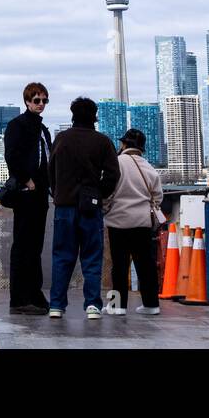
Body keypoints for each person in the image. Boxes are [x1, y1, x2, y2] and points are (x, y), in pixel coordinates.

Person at [48, 97, 120, 319]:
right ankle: (92, 305)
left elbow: (51, 172)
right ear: (94, 116)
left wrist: (58, 192)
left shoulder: (61, 139)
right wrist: (99, 192)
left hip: (65, 206)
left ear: (72, 115)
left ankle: (57, 306)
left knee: (62, 256)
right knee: (91, 257)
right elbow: (113, 175)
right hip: (90, 207)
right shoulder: (102, 141)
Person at [3, 82, 53, 316]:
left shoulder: (43, 130)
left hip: (41, 194)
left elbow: (48, 160)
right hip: (25, 194)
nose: (40, 104)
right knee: (23, 245)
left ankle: (35, 295)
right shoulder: (17, 125)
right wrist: (26, 180)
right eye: (36, 100)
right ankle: (19, 299)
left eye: (44, 100)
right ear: (27, 101)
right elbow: (11, 156)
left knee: (35, 246)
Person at [103, 128, 165, 315]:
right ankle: (151, 304)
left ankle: (117, 306)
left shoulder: (116, 163)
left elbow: (108, 191)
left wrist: (106, 208)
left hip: (119, 221)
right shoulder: (148, 167)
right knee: (145, 264)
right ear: (141, 149)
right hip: (142, 223)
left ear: (123, 144)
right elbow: (158, 197)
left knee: (119, 265)